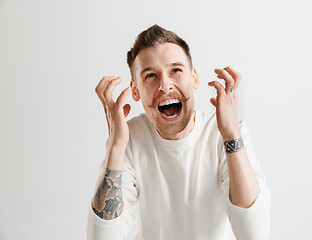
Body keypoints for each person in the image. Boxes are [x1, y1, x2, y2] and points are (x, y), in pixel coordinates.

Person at [87, 24, 271, 240]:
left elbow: (255, 235)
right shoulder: (130, 138)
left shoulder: (225, 133)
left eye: (175, 70)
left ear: (194, 78)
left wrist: (231, 135)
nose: (165, 85)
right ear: (135, 91)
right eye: (150, 76)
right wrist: (116, 146)